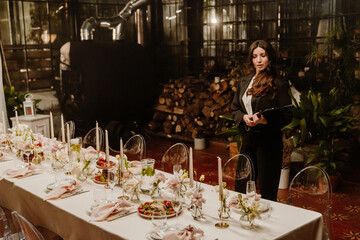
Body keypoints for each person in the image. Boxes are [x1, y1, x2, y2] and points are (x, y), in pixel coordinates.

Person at [231, 40, 292, 201]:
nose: (258, 60)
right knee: (241, 187)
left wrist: (265, 121)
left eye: (262, 56)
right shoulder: (244, 81)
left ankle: (267, 224)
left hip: (269, 142)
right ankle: (243, 222)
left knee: (268, 191)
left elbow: (287, 115)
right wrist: (244, 117)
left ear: (269, 57)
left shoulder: (279, 83)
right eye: (255, 56)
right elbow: (235, 108)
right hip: (248, 139)